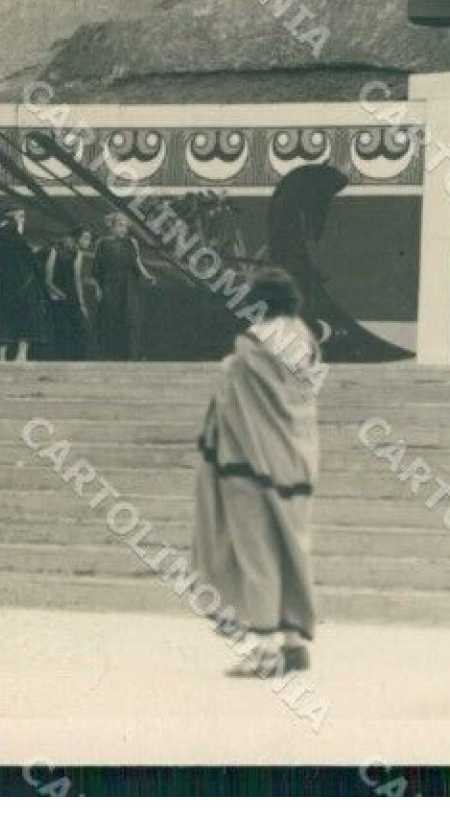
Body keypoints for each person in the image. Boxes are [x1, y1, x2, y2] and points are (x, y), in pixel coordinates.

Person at [192, 268, 321, 678]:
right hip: (298, 458)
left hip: (251, 461)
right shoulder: (304, 336)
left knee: (258, 553)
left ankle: (267, 652)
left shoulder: (251, 346)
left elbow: (236, 399)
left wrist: (226, 370)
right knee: (291, 548)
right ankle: (295, 644)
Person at [0, 207, 52, 363]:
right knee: (27, 318)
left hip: (3, 284)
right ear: (13, 218)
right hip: (23, 285)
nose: (23, 220)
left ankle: (1, 356)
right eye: (21, 216)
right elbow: (31, 261)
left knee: (5, 319)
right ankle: (21, 355)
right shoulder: (16, 235)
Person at [94, 213, 156, 361]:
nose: (124, 229)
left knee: (131, 319)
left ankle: (132, 356)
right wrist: (98, 288)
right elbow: (97, 269)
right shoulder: (102, 243)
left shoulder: (132, 242)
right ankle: (111, 357)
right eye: (120, 225)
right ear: (112, 226)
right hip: (110, 284)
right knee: (111, 320)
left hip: (129, 285)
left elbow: (138, 262)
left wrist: (147, 275)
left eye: (126, 226)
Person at [44, 226, 95, 360]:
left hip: (57, 298)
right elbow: (77, 280)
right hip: (69, 298)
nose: (88, 242)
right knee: (78, 333)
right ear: (77, 239)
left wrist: (57, 293)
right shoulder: (77, 254)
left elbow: (48, 281)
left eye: (89, 239)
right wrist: (82, 304)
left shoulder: (55, 250)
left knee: (62, 334)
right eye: (85, 238)